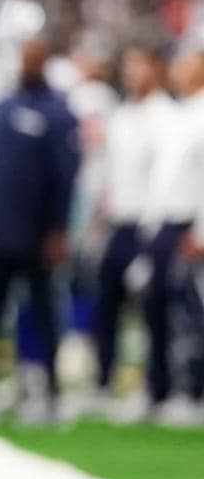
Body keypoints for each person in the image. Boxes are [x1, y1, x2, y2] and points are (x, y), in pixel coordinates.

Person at [0, 39, 80, 421]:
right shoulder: (0, 110)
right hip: (0, 230)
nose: (28, 61)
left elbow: (66, 178)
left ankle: (50, 389)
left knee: (44, 312)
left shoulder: (58, 112)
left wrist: (59, 231)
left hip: (38, 233)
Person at [92, 46, 177, 414]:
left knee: (152, 307)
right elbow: (110, 171)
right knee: (106, 302)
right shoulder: (123, 114)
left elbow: (164, 176)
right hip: (119, 221)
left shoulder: (166, 116)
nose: (132, 72)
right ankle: (104, 380)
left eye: (139, 65)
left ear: (155, 68)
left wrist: (153, 228)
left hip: (149, 221)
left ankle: (157, 386)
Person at [138, 50, 204, 425]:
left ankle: (192, 389)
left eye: (186, 64)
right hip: (164, 221)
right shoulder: (177, 114)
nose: (177, 70)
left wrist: (200, 229)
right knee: (157, 306)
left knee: (190, 310)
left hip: (188, 223)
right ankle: (161, 386)